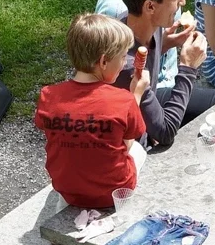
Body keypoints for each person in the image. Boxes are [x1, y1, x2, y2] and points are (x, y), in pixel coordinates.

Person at [34, 13, 150, 208]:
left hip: (67, 189)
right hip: (112, 194)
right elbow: (127, 144)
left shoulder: (49, 96)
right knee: (138, 150)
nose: (124, 64)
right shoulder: (123, 100)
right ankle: (127, 205)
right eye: (122, 57)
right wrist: (135, 95)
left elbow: (52, 133)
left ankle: (65, 207)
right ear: (104, 62)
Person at [113, 0, 215, 147]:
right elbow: (165, 132)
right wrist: (188, 68)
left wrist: (167, 42)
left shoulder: (141, 23)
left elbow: (145, 49)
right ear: (150, 6)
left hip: (152, 98)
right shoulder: (128, 67)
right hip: (134, 147)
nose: (182, 1)